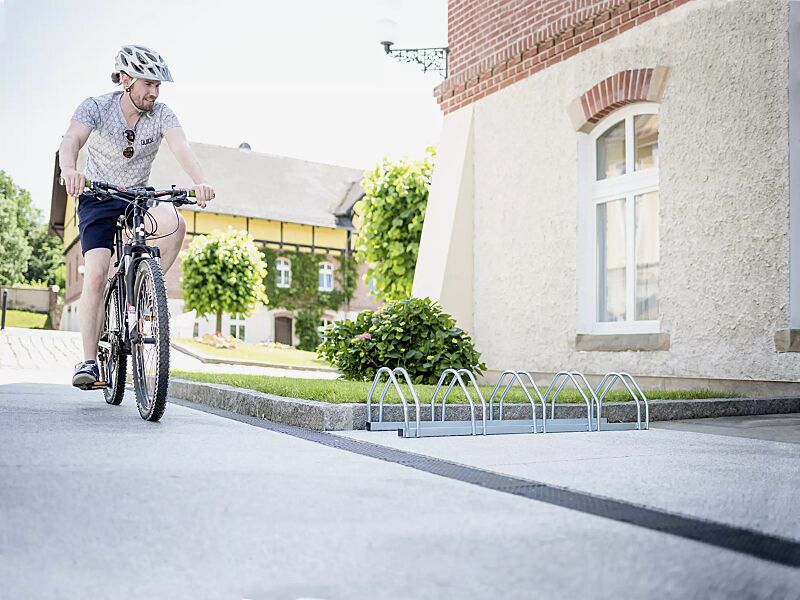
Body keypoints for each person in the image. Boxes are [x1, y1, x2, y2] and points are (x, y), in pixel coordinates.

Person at [59, 44, 214, 388]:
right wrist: (69, 170)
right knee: (96, 274)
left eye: (158, 85)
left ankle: (144, 291)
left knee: (175, 224)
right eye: (148, 84)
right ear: (126, 80)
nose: (154, 92)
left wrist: (199, 181)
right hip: (98, 196)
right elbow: (70, 140)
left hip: (136, 197)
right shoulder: (96, 107)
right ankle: (89, 363)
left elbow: (181, 147)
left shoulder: (162, 114)